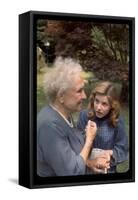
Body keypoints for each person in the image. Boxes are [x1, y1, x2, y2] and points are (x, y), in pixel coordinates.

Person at [37, 57, 110, 177]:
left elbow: (68, 154)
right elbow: (72, 172)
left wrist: (89, 163)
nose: (85, 96)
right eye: (79, 91)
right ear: (61, 96)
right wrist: (89, 140)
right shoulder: (49, 127)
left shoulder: (65, 115)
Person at [77, 81, 129, 173]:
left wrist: (110, 153)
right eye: (97, 101)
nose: (98, 108)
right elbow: (76, 146)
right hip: (86, 168)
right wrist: (86, 135)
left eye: (104, 104)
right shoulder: (84, 116)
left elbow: (122, 149)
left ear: (112, 106)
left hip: (107, 170)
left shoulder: (117, 120)